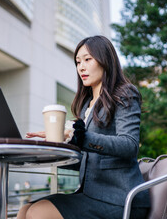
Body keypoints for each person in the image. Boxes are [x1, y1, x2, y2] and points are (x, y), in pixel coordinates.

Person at [18, 35, 150, 219]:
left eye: (88, 59)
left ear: (105, 60)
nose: (81, 67)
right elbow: (87, 161)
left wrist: (80, 138)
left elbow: (130, 145)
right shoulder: (87, 104)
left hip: (121, 198)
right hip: (91, 194)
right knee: (25, 210)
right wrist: (57, 146)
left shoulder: (124, 93)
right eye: (78, 62)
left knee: (37, 212)